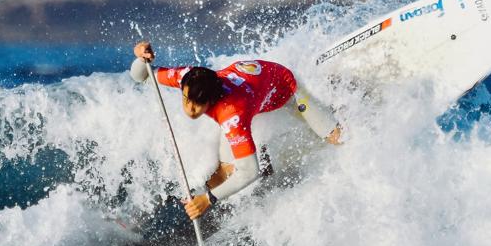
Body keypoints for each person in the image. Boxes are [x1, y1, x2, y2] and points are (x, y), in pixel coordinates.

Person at [130, 41, 342, 220]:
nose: (190, 109)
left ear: (212, 100)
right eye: (187, 99)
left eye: (198, 104)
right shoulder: (189, 77)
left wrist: (209, 200)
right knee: (225, 171)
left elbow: (250, 171)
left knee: (335, 138)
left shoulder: (232, 114)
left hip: (284, 86)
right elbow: (141, 76)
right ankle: (184, 204)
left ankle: (345, 104)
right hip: (255, 79)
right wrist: (142, 58)